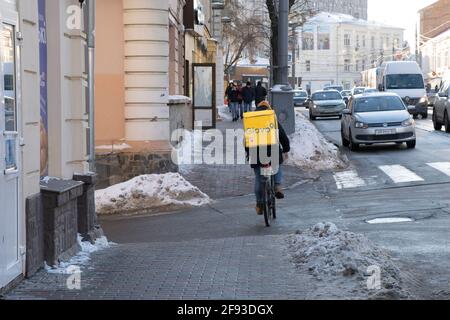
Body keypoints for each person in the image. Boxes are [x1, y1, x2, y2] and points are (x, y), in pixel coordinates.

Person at [246, 101, 291, 215]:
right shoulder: (271, 119)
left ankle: (259, 204)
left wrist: (248, 152)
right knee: (277, 165)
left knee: (258, 178)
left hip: (256, 153)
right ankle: (277, 186)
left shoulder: (251, 121)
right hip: (273, 151)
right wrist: (286, 149)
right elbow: (282, 136)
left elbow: (246, 140)